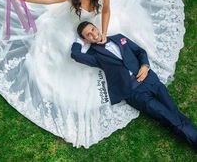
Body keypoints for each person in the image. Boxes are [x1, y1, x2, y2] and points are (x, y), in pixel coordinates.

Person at [0, 0, 185, 148]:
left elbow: (106, 10)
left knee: (119, 44)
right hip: (74, 27)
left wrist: (105, 33)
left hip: (100, 26)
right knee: (61, 58)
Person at [71, 21, 197, 149]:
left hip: (150, 80)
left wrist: (145, 65)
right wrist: (79, 41)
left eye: (93, 29)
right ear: (85, 39)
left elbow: (140, 52)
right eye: (88, 35)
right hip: (135, 92)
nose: (93, 34)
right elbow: (75, 55)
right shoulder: (94, 55)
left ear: (97, 27)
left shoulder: (119, 38)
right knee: (170, 118)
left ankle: (187, 132)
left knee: (173, 111)